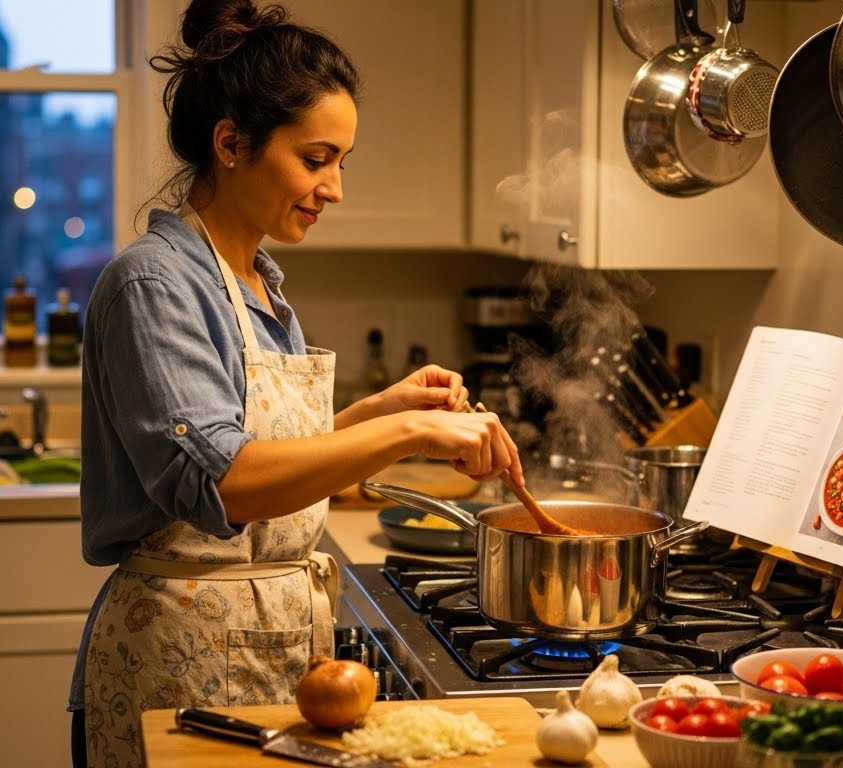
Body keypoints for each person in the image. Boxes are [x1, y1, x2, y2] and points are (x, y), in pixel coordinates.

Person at [70, 1, 523, 765]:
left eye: (342, 163)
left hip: (257, 647)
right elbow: (225, 485)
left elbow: (263, 451)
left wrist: (375, 414)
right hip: (181, 657)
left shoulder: (257, 282)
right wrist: (407, 433)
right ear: (231, 143)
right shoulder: (155, 283)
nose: (334, 188)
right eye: (316, 160)